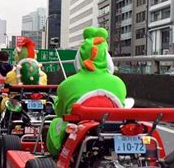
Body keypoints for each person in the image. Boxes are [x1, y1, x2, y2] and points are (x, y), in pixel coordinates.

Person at [46, 27, 127, 157]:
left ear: (79, 58)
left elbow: (60, 113)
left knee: (56, 122)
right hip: (111, 130)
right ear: (107, 58)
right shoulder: (119, 83)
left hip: (79, 133)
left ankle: (58, 157)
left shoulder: (67, 84)